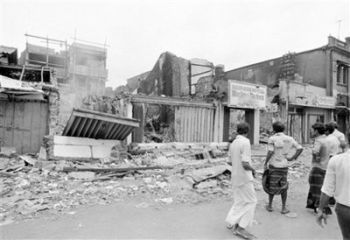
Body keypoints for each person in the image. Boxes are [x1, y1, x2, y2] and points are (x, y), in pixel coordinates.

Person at [225, 122, 257, 239]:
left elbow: (229, 161)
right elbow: (245, 163)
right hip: (244, 177)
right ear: (247, 131)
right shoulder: (245, 142)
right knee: (252, 201)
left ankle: (232, 221)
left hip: (235, 176)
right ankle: (241, 228)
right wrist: (253, 170)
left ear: (238, 130)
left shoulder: (233, 143)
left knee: (240, 201)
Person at [264, 121, 303, 214]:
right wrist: (292, 158)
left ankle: (270, 205)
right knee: (284, 185)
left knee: (272, 185)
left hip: (274, 165)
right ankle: (283, 207)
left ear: (273, 129)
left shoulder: (272, 139)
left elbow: (270, 152)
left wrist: (265, 163)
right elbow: (300, 148)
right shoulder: (289, 138)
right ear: (284, 129)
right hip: (284, 165)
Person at [316, 132, 350, 240]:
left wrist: (321, 209)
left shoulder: (337, 160)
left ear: (347, 140)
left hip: (345, 209)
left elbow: (327, 189)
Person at [306, 122, 332, 213]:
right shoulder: (327, 139)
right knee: (320, 187)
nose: (311, 132)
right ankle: (318, 206)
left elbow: (315, 152)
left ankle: (319, 207)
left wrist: (315, 159)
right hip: (325, 167)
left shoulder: (318, 140)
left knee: (315, 187)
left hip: (317, 167)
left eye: (312, 130)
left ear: (316, 131)